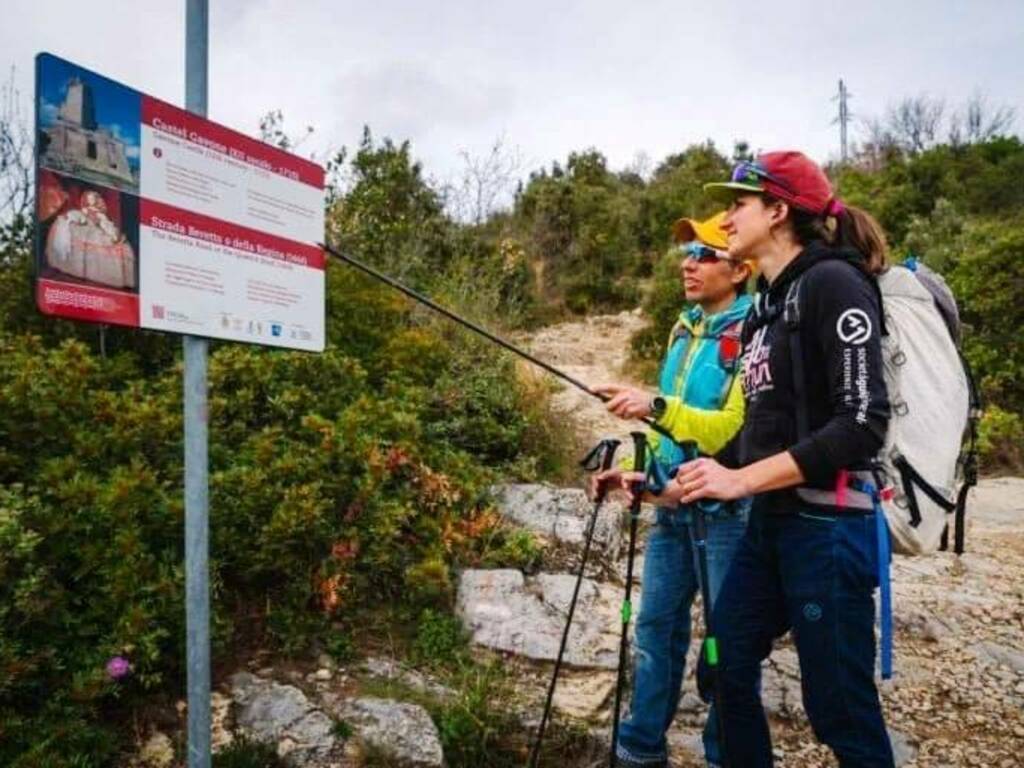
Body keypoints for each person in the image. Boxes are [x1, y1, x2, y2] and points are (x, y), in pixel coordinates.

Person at [651, 151, 895, 767]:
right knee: (723, 666)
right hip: (774, 522)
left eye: (738, 203)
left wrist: (740, 480)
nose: (725, 218)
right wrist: (665, 483)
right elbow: (749, 431)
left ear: (779, 211)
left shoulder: (835, 284)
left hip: (830, 527)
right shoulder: (766, 304)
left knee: (839, 709)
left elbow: (862, 424)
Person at [593, 211, 752, 768]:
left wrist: (654, 407)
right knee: (655, 626)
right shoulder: (683, 326)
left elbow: (733, 428)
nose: (690, 264)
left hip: (730, 510)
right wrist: (646, 476)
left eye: (706, 254)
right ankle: (640, 749)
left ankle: (723, 756)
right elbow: (666, 427)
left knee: (728, 640)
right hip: (671, 507)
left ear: (740, 269)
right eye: (688, 254)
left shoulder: (753, 330)